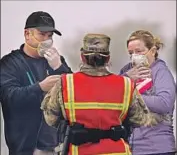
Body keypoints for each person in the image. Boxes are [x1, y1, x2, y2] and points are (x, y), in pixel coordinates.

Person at [41, 33, 161, 155]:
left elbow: (51, 118)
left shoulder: (65, 83)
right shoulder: (126, 84)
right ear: (108, 59)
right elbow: (140, 119)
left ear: (82, 57)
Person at [0, 11, 72, 155]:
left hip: (55, 147)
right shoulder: (10, 63)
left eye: (50, 36)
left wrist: (59, 67)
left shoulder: (56, 61)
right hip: (23, 147)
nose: (46, 40)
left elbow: (74, 93)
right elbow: (8, 97)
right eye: (42, 34)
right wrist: (39, 87)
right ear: (27, 34)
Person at [120, 30, 176, 155]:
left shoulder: (161, 72)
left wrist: (131, 94)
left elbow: (164, 103)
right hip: (129, 147)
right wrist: (126, 78)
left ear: (153, 51)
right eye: (131, 53)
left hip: (157, 147)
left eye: (139, 51)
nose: (134, 56)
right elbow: (113, 96)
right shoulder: (127, 70)